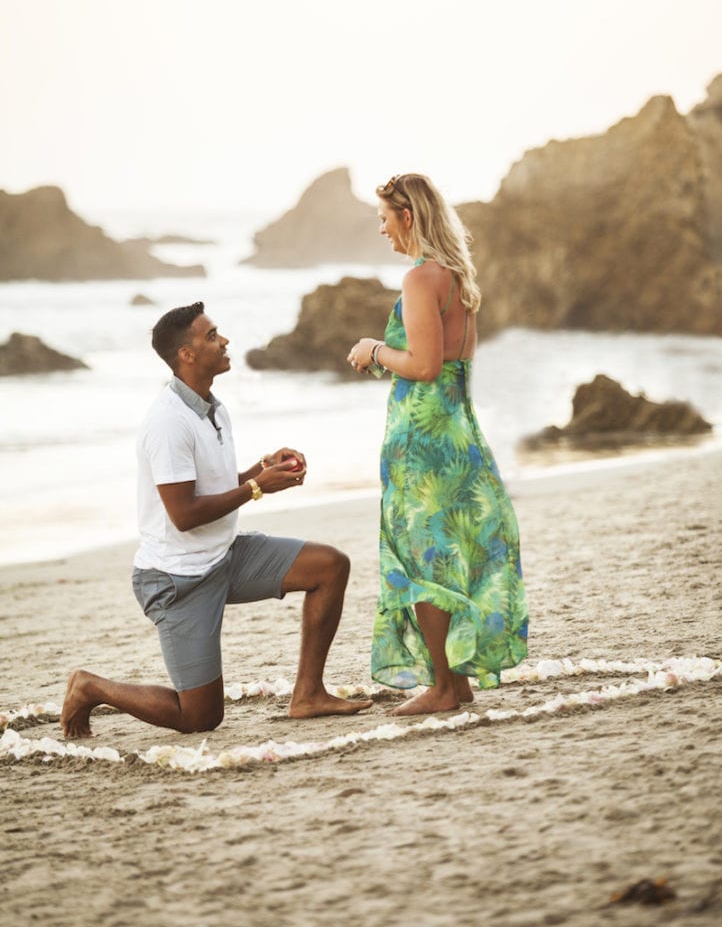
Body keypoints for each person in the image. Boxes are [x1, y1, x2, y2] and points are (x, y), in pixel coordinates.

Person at [61, 301, 372, 738]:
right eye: (211, 336)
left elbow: (211, 486)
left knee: (330, 566)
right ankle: (90, 686)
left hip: (226, 556)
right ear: (186, 355)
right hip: (177, 580)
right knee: (200, 718)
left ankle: (308, 694)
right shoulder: (168, 422)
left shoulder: (211, 406)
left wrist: (262, 469)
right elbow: (184, 515)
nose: (224, 341)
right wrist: (257, 487)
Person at [347, 173, 528, 716]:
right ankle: (455, 680)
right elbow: (448, 363)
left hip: (423, 442)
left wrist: (374, 349)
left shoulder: (421, 279)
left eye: (384, 218)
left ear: (408, 215)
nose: (382, 229)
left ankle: (443, 688)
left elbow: (424, 366)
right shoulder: (456, 278)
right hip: (458, 429)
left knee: (421, 557)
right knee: (450, 553)